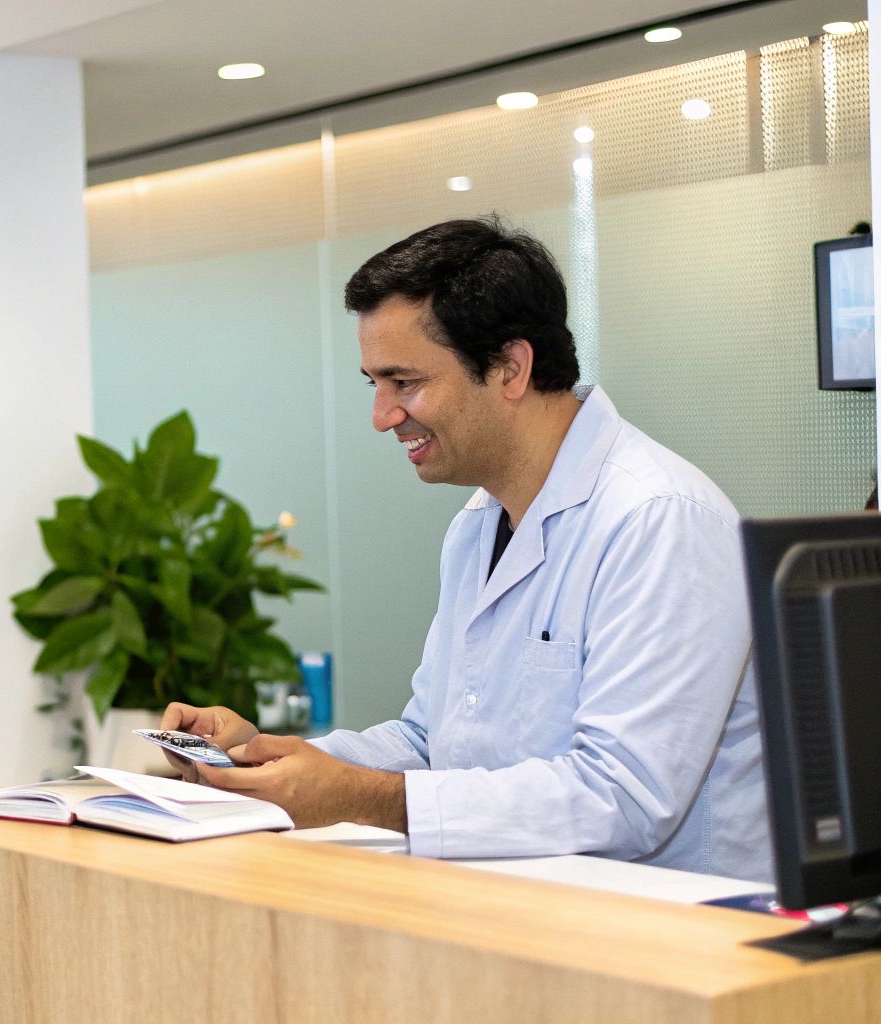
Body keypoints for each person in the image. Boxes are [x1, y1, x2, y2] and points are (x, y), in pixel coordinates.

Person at [164, 218, 769, 881]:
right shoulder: (478, 524)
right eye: (374, 384)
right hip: (532, 910)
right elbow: (431, 742)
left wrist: (358, 797)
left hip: (682, 934)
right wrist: (264, 757)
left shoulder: (658, 520)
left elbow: (622, 797)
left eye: (405, 382)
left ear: (511, 368)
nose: (383, 416)